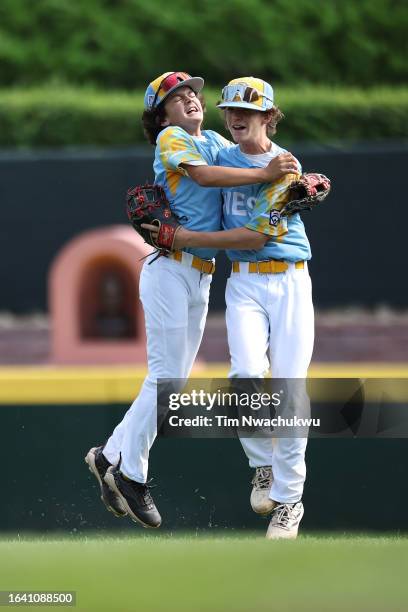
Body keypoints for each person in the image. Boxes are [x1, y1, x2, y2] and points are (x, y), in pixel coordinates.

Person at [85, 72, 298, 528]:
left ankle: (110, 456)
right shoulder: (171, 137)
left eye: (193, 94)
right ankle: (131, 474)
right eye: (177, 97)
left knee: (172, 384)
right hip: (169, 269)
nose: (190, 100)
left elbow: (251, 160)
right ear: (160, 114)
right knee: (165, 378)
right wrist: (265, 172)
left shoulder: (218, 138)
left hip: (201, 275)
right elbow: (205, 175)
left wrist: (293, 174)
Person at [146, 77, 314, 539]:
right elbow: (196, 171)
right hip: (242, 284)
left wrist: (186, 239)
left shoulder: (286, 166)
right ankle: (264, 468)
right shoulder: (220, 150)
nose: (236, 116)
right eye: (230, 109)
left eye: (249, 110)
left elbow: (256, 237)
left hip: (290, 282)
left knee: (289, 390)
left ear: (269, 116)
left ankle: (290, 502)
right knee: (243, 375)